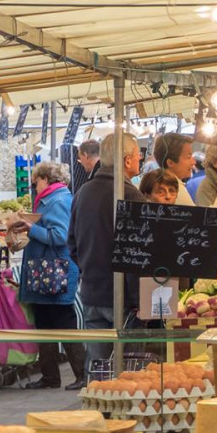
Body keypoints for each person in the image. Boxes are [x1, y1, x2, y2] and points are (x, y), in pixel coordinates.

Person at [68, 132, 145, 371]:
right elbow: (140, 253)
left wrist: (89, 270)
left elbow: (72, 245)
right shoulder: (131, 196)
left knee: (98, 369)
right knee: (129, 372)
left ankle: (95, 396)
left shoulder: (83, 192)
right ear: (127, 160)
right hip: (124, 299)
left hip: (92, 292)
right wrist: (140, 299)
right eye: (138, 155)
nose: (141, 159)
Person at [11, 162, 85, 390]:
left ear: (45, 179)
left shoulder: (57, 201)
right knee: (45, 323)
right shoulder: (51, 199)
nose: (34, 187)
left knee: (64, 323)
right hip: (46, 273)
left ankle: (82, 375)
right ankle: (50, 377)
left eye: (36, 183)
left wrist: (30, 229)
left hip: (55, 273)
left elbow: (60, 235)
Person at [153, 132, 196, 206]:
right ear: (170, 163)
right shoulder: (175, 190)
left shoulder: (153, 183)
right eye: (188, 157)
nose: (194, 162)